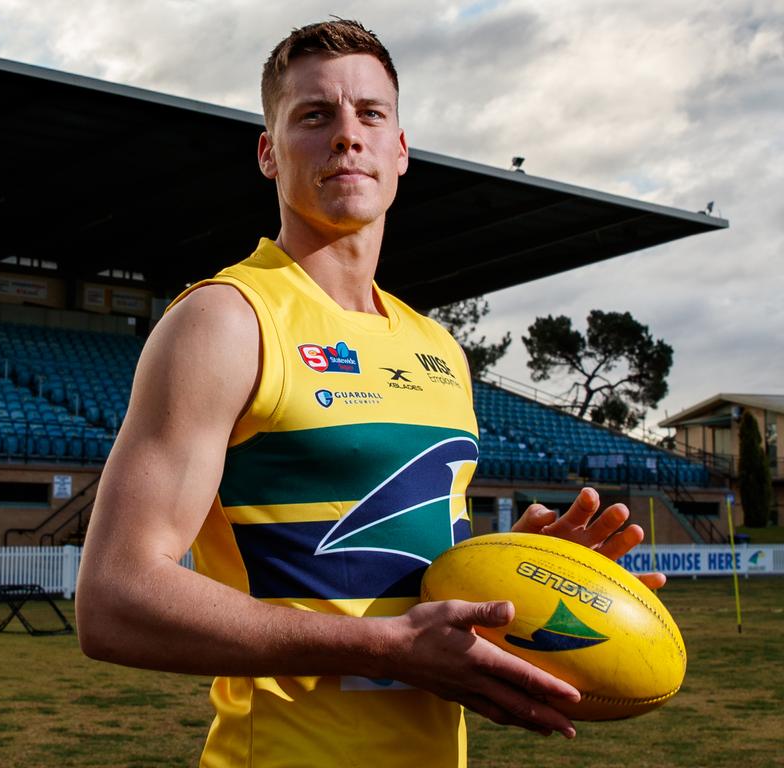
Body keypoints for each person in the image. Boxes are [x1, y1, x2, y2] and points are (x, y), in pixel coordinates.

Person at [76, 19, 664, 767]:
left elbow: (406, 591)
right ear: (269, 153)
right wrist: (387, 649)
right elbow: (116, 601)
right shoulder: (226, 320)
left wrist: (513, 577)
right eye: (314, 116)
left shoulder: (437, 348)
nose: (347, 136)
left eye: (370, 115)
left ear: (400, 150)